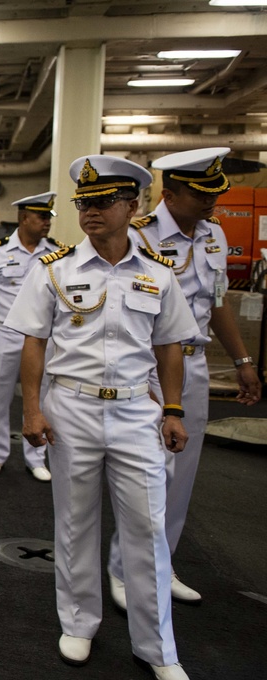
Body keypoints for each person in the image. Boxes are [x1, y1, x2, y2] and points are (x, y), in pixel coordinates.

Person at [6, 156, 198, 680]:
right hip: (72, 408)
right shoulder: (55, 269)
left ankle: (158, 647)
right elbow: (34, 343)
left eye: (102, 202)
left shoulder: (158, 273)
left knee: (147, 528)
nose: (90, 212)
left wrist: (174, 409)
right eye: (83, 203)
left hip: (138, 409)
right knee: (74, 522)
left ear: (131, 206)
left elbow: (170, 347)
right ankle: (78, 622)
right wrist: (31, 408)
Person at [107, 148, 262, 610]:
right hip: (151, 368)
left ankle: (160, 564)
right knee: (151, 475)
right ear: (170, 195)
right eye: (201, 194)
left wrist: (242, 360)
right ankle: (123, 570)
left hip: (193, 364)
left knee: (182, 476)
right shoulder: (139, 235)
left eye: (214, 192)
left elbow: (217, 304)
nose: (210, 202)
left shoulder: (213, 236)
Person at [0, 191, 63, 481]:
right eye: (42, 217)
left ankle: (36, 457)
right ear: (24, 218)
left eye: (49, 217)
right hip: (5, 332)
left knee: (41, 397)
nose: (47, 222)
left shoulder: (56, 253)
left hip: (42, 336)